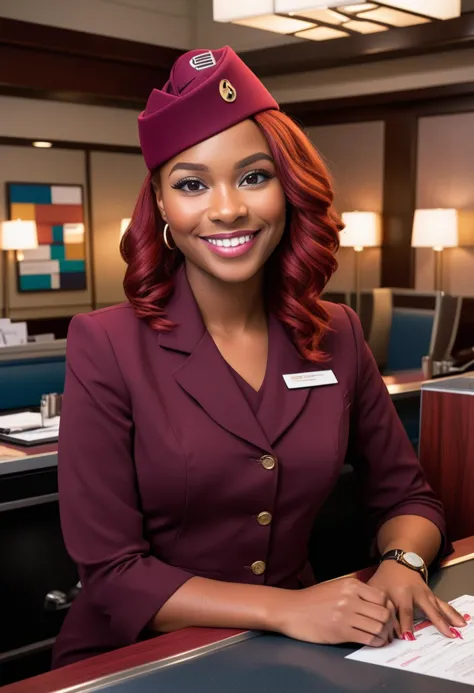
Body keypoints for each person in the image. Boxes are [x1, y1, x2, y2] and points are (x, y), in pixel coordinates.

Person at [52, 46, 466, 669]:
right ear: (162, 205)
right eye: (192, 184)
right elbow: (112, 571)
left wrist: (402, 562)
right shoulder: (104, 343)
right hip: (138, 657)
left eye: (253, 176)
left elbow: (409, 498)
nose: (227, 208)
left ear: (287, 187)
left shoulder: (339, 333)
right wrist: (285, 608)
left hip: (297, 651)